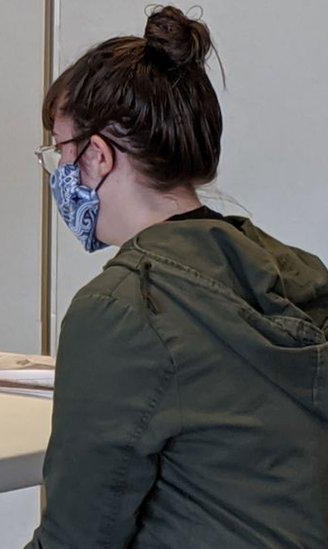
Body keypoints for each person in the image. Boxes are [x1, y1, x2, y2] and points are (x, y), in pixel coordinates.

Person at [27, 6, 327, 547]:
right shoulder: (296, 273)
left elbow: (76, 537)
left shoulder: (124, 309)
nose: (60, 172)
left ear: (97, 157)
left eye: (60, 150)